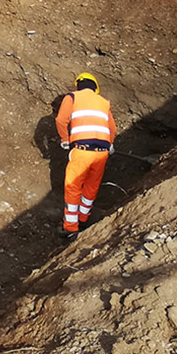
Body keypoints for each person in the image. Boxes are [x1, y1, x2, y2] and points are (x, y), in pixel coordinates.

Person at [55, 72, 116, 239]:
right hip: (101, 153)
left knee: (73, 186)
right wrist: (110, 144)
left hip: (82, 151)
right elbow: (112, 129)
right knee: (91, 186)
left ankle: (70, 228)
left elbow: (61, 120)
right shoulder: (104, 102)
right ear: (95, 87)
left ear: (78, 85)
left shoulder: (72, 97)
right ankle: (83, 219)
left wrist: (65, 140)